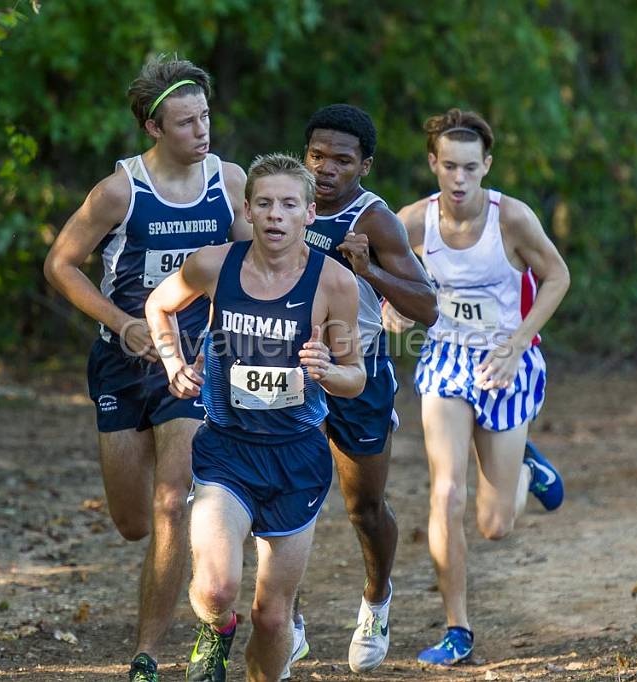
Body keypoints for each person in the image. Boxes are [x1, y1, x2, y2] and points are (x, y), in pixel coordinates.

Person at [43, 55, 250, 682]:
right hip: (122, 362)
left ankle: (149, 656)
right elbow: (61, 265)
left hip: (192, 359)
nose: (202, 131)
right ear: (154, 130)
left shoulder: (229, 179)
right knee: (134, 522)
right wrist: (119, 321)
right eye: (186, 123)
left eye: (206, 118)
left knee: (170, 502)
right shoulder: (119, 191)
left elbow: (251, 257)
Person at [146, 153, 366, 682]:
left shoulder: (333, 283)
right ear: (247, 210)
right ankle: (216, 628)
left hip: (297, 459)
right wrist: (174, 363)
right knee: (217, 590)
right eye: (264, 203)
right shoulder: (215, 264)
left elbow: (355, 375)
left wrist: (326, 371)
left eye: (289, 204)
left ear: (309, 213)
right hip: (227, 449)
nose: (275, 215)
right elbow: (159, 305)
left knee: (273, 617)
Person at [392, 108, 570, 665]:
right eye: (449, 166)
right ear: (433, 164)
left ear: (486, 165)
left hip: (506, 362)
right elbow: (380, 272)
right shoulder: (413, 222)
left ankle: (523, 469)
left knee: (495, 525)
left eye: (471, 167)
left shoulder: (511, 219)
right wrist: (389, 305)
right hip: (445, 359)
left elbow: (558, 276)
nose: (460, 178)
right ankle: (457, 629)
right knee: (446, 492)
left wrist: (519, 341)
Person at [290, 104, 437, 674]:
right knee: (282, 498)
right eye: (317, 156)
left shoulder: (373, 219)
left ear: (365, 166)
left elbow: (426, 307)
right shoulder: (281, 203)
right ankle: (287, 618)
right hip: (291, 369)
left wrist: (368, 270)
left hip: (361, 370)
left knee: (364, 507)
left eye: (342, 160)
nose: (326, 169)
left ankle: (377, 600)